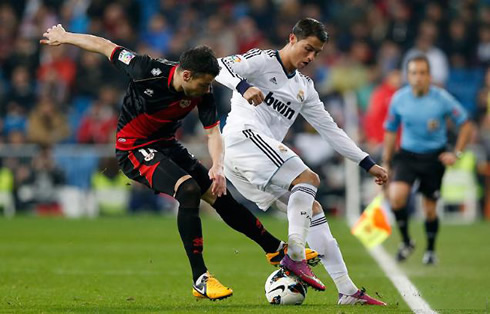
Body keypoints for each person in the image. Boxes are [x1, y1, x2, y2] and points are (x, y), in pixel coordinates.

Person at [40, 24, 318, 301]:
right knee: (187, 189)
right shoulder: (145, 70)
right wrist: (64, 38)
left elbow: (212, 132)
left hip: (167, 146)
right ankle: (200, 279)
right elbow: (104, 45)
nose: (206, 89)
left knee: (218, 193)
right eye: (203, 84)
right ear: (186, 75)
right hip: (134, 149)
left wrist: (217, 167)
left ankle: (274, 249)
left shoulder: (203, 90)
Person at [215, 18, 388, 304]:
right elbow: (219, 65)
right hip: (242, 139)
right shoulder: (262, 60)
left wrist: (368, 163)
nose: (310, 57)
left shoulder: (304, 88)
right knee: (309, 179)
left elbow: (331, 130)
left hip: (253, 157)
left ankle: (347, 290)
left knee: (313, 207)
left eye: (316, 53)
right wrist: (243, 86)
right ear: (292, 39)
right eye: (308, 48)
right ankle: (295, 257)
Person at [383, 55, 473, 265]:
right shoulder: (399, 99)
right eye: (414, 73)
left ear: (429, 76)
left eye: (423, 73)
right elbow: (390, 130)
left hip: (434, 158)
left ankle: (431, 250)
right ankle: (406, 241)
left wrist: (456, 153)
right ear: (408, 75)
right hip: (407, 155)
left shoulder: (442, 98)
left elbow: (466, 124)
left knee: (429, 209)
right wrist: (387, 161)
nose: (418, 77)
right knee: (396, 197)